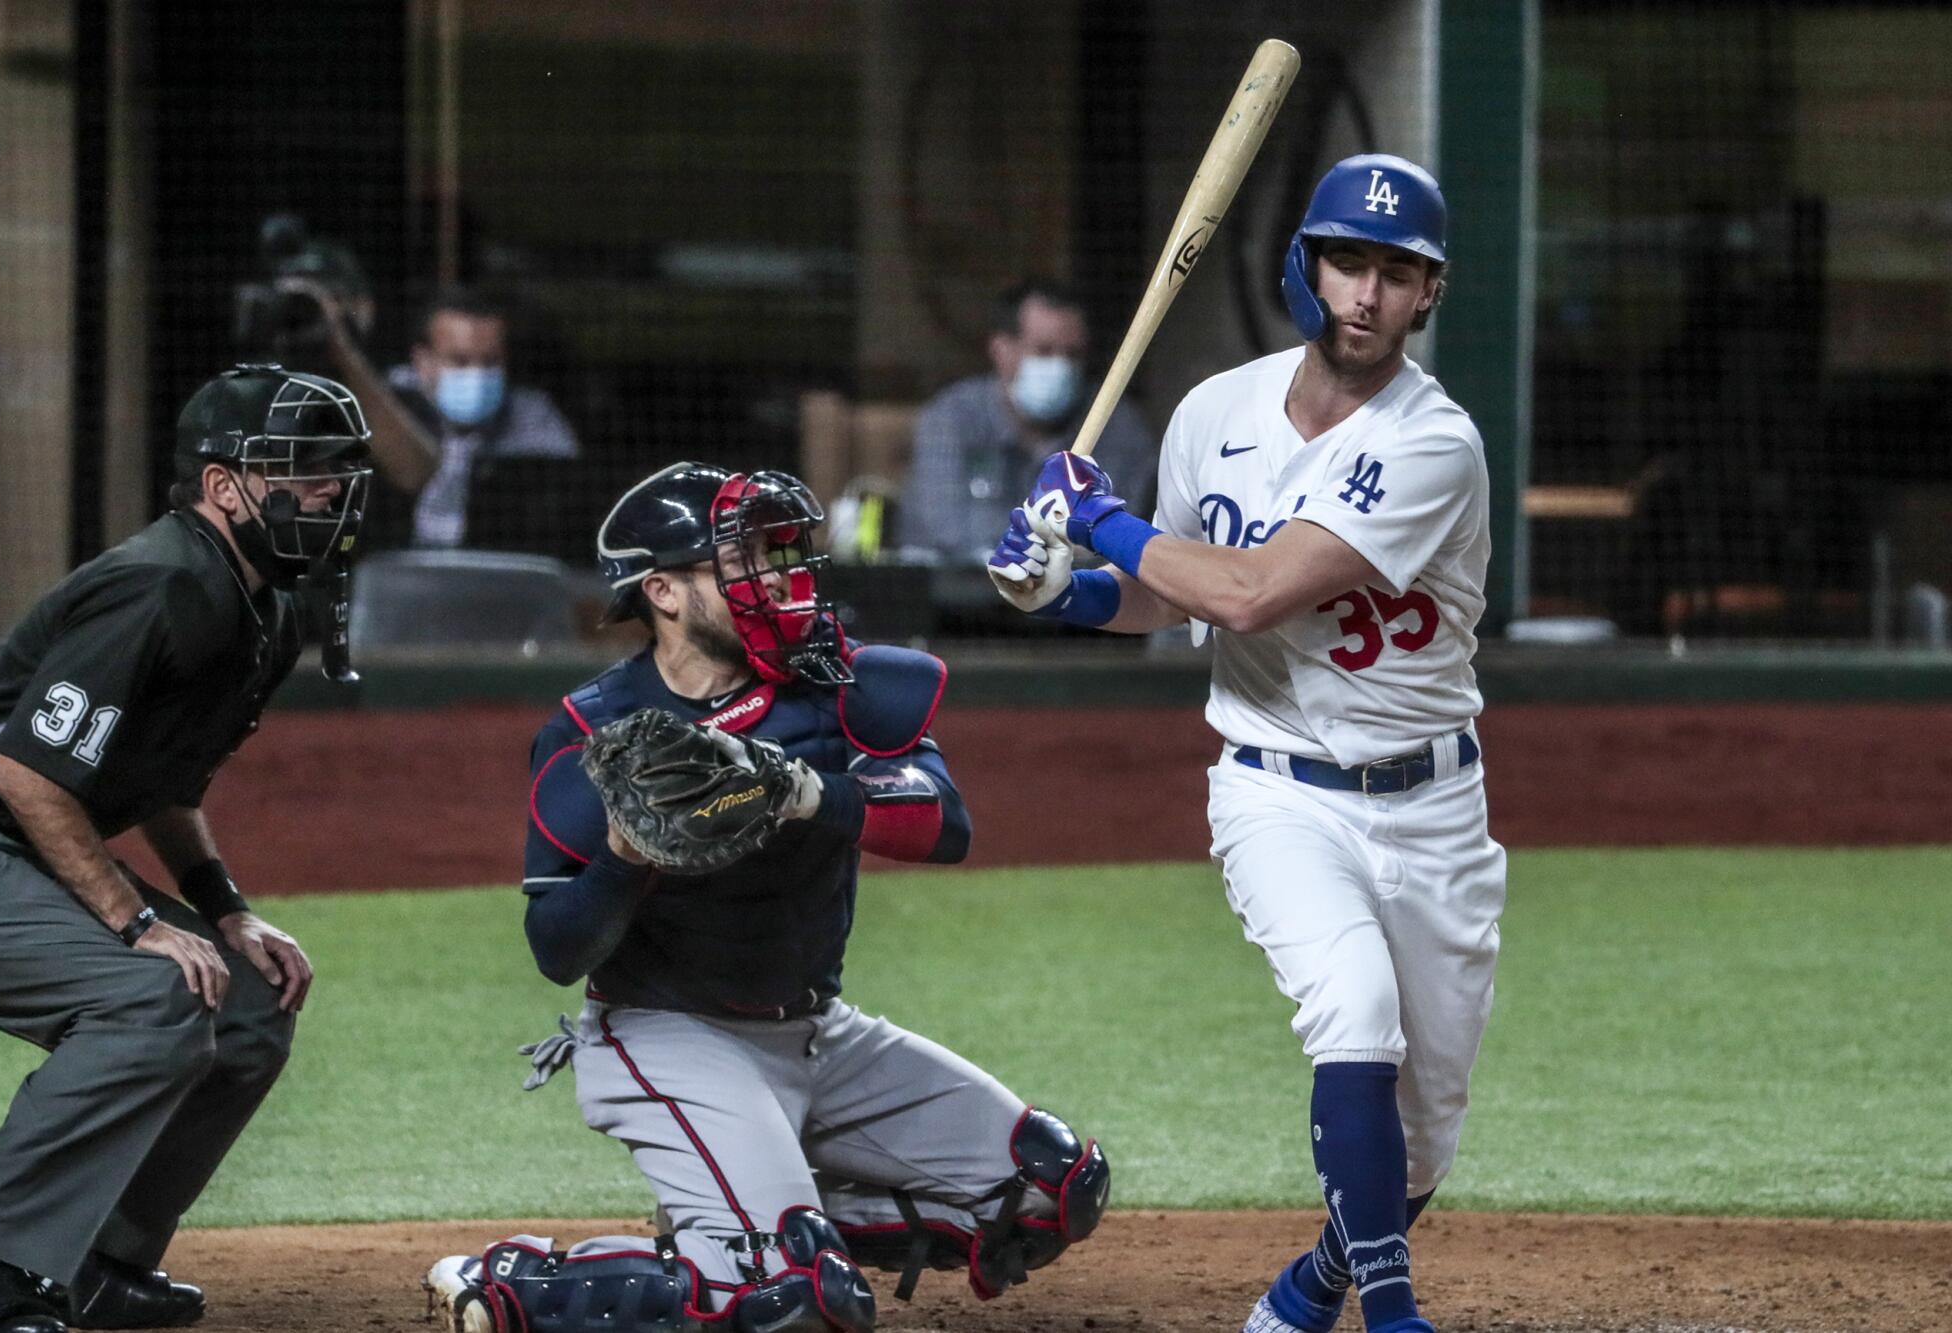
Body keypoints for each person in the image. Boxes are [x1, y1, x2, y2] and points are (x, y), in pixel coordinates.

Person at [988, 155, 1503, 1333]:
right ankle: (1390, 1310)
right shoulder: (1213, 413)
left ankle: (1314, 1282)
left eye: (1397, 273)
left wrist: (1096, 517)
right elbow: (1167, 597)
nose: (1367, 295)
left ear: (1428, 294)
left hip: (1431, 807)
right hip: (1276, 789)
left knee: (1421, 1140)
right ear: (1305, 268)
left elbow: (1250, 593)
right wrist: (1058, 590)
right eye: (1348, 263)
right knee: (1353, 1014)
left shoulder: (1436, 444)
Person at [423, 462, 1109, 1333]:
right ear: (663, 591)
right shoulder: (594, 733)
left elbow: (946, 824)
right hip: (669, 1036)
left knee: (1048, 1188)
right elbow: (557, 948)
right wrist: (628, 858)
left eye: (782, 553)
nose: (779, 577)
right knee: (799, 1299)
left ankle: (744, 1227)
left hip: (821, 1033)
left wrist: (804, 791)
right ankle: (513, 1285)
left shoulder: (833, 686)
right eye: (744, 560)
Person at [0, 364, 372, 1333]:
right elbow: (25, 774)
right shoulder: (161, 583)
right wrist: (139, 922)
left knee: (251, 1002)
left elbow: (165, 782)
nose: (331, 489)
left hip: (5, 841)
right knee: (151, 996)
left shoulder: (266, 603)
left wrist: (224, 909)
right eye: (304, 468)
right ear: (224, 485)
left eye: (339, 469)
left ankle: (96, 1257)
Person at [293, 282, 583, 556]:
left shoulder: (532, 414)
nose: (477, 374)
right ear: (422, 360)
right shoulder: (383, 401)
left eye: (490, 362)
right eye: (460, 361)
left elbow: (564, 512)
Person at [901, 279, 1156, 565]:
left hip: (1075, 603)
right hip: (961, 602)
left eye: (1073, 354)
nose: (1061, 366)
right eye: (1043, 351)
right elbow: (948, 527)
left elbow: (1121, 535)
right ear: (1001, 351)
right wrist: (1063, 539)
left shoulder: (1118, 426)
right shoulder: (952, 418)